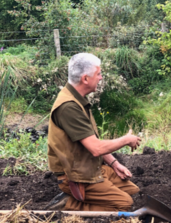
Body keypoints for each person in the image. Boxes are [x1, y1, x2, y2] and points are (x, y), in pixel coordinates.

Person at [44, 53, 142, 211]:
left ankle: (79, 201)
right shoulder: (69, 107)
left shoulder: (78, 99)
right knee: (125, 204)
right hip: (77, 177)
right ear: (85, 79)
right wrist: (125, 140)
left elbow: (90, 142)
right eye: (98, 74)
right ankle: (70, 204)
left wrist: (114, 163)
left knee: (135, 193)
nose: (101, 78)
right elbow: (96, 148)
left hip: (91, 168)